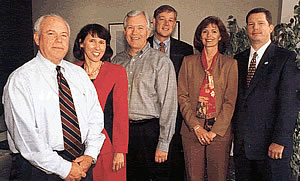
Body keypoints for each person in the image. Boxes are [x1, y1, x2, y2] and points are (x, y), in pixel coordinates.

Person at [2, 14, 105, 181]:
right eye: (51, 34)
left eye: (63, 35)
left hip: (81, 164)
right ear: (37, 38)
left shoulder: (78, 74)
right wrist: (64, 168)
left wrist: (90, 155)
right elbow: (26, 138)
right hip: (38, 170)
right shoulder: (20, 80)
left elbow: (95, 118)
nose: (59, 40)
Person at [232, 8, 298, 181]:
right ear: (246, 29)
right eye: (251, 24)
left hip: (271, 147)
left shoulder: (285, 58)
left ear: (270, 27)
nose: (256, 28)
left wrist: (281, 140)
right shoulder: (237, 60)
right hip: (243, 148)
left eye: (261, 23)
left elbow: (289, 103)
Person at [111, 10, 177, 181]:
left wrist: (163, 144)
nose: (135, 33)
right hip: (122, 133)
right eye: (130, 28)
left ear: (148, 32)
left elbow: (169, 105)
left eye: (140, 28)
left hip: (150, 133)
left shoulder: (161, 62)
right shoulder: (116, 62)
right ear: (125, 31)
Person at [177, 16, 238, 181]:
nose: (209, 35)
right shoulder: (188, 62)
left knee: (217, 176)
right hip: (192, 130)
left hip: (219, 132)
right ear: (200, 36)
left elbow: (230, 101)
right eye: (205, 31)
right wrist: (196, 127)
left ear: (220, 36)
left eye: (214, 31)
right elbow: (182, 97)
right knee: (193, 176)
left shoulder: (230, 64)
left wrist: (214, 132)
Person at [73, 23, 129, 181]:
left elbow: (121, 114)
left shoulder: (117, 72)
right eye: (92, 41)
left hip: (108, 145)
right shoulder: (71, 71)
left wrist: (120, 151)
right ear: (81, 43)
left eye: (102, 42)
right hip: (77, 146)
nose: (97, 47)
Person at [148, 5, 193, 180]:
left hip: (176, 119)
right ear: (154, 21)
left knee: (174, 169)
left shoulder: (185, 50)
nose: (167, 24)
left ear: (174, 23)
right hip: (148, 120)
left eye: (171, 20)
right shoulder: (142, 47)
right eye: (162, 19)